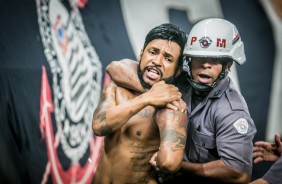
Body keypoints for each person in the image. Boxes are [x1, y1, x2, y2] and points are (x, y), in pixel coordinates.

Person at [106, 18, 257, 183]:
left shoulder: (232, 112)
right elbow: (116, 68)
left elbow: (239, 174)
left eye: (214, 59)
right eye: (199, 58)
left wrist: (181, 167)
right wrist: (154, 93)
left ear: (228, 65)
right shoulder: (180, 77)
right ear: (189, 60)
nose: (205, 65)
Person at [92, 23, 188, 183]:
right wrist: (147, 98)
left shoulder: (172, 108)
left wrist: (163, 159)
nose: (157, 61)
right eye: (153, 52)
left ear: (177, 70)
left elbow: (170, 163)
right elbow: (98, 126)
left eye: (168, 58)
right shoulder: (117, 86)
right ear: (141, 54)